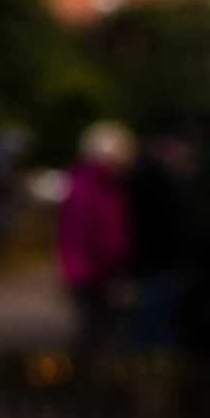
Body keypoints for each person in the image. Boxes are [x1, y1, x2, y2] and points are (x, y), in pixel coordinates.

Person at [57, 120, 135, 352]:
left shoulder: (81, 182)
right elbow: (101, 233)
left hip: (84, 268)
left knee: (93, 329)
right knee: (98, 333)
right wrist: (116, 264)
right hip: (95, 270)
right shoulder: (99, 187)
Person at [123, 127, 193, 355]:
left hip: (152, 261)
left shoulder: (148, 176)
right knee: (150, 324)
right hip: (154, 261)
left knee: (149, 321)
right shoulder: (156, 179)